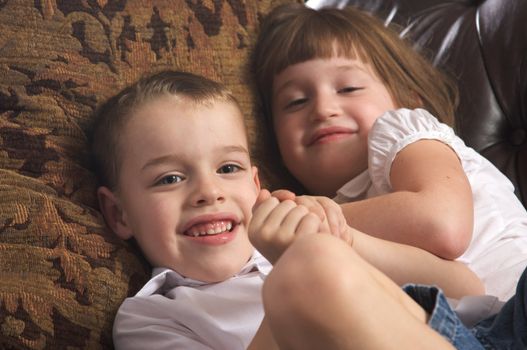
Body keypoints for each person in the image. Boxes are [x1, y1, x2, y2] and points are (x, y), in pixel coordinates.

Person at [91, 70, 486, 349]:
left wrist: (346, 242)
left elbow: (468, 291)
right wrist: (298, 275)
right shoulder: (151, 317)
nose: (208, 192)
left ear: (256, 185)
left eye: (228, 169)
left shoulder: (308, 233)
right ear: (119, 214)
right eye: (169, 179)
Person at [250, 2, 527, 302]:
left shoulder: (403, 130)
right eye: (296, 101)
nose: (323, 109)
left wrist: (306, 218)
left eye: (349, 88)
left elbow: (442, 224)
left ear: (407, 98)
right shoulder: (336, 221)